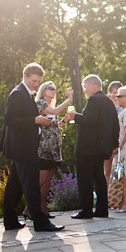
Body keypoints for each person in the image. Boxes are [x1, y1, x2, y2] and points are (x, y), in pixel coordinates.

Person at [0, 63, 65, 232]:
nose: (36, 84)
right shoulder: (18, 93)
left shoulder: (25, 93)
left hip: (21, 146)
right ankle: (40, 222)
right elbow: (9, 119)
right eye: (33, 81)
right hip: (22, 146)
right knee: (31, 184)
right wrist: (35, 120)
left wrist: (35, 120)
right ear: (25, 77)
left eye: (38, 81)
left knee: (15, 184)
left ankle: (10, 221)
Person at [67, 75, 120, 219]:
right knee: (99, 177)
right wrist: (114, 144)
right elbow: (115, 125)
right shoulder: (109, 102)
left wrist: (74, 116)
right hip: (101, 148)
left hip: (88, 148)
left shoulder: (94, 100)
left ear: (93, 85)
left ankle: (86, 210)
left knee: (85, 179)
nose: (84, 90)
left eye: (85, 87)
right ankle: (102, 209)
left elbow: (90, 120)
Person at [33, 81, 73, 217]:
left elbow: (55, 127)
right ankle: (31, 208)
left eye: (55, 89)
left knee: (48, 179)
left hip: (54, 149)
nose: (54, 91)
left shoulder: (50, 106)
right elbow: (55, 112)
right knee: (42, 179)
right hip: (44, 148)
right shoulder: (40, 103)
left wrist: (65, 120)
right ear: (44, 90)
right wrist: (69, 100)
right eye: (51, 89)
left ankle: (43, 208)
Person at [104, 81, 123, 186]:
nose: (113, 95)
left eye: (116, 92)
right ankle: (107, 196)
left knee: (119, 170)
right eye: (111, 92)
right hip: (106, 141)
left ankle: (120, 196)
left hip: (120, 141)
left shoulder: (123, 108)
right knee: (106, 171)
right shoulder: (105, 106)